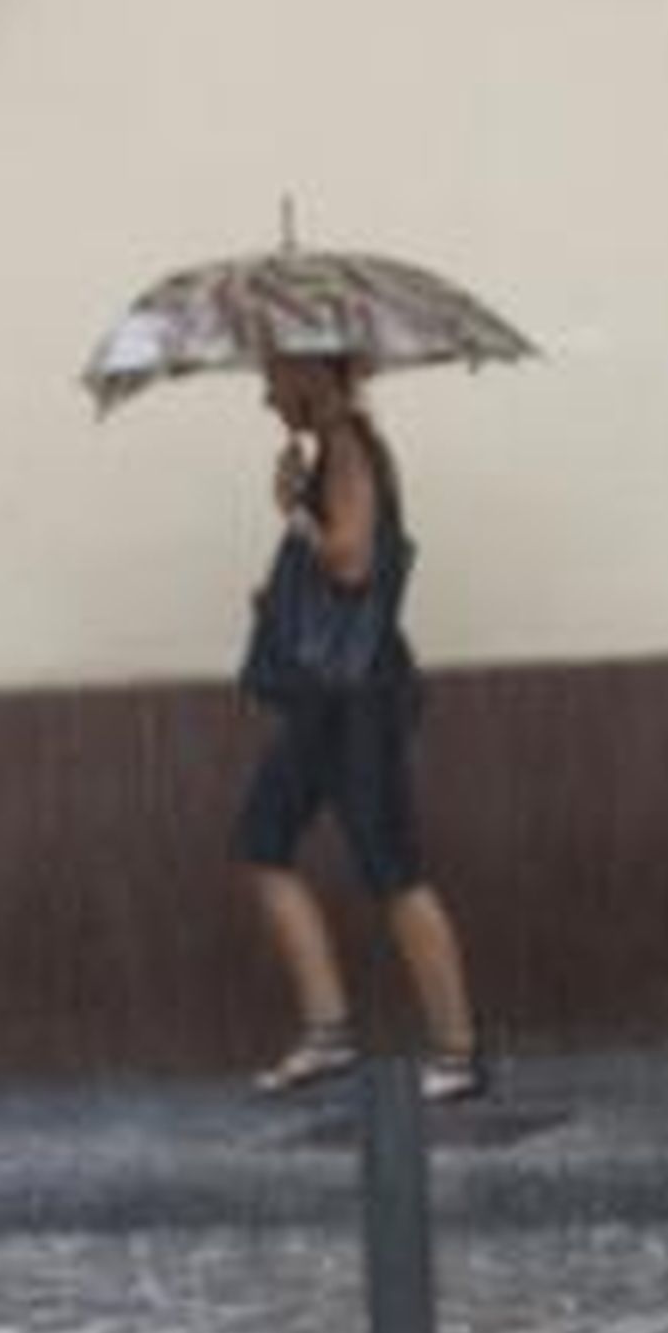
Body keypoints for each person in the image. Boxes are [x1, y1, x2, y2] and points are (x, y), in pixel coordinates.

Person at [230, 346, 487, 1102]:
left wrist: (294, 516)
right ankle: (328, 1031)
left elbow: (351, 561)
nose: (265, 394)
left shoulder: (347, 446)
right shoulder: (338, 449)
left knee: (391, 869)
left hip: (355, 700)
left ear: (311, 376)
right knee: (263, 841)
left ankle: (456, 1051)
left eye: (272, 376)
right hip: (329, 697)